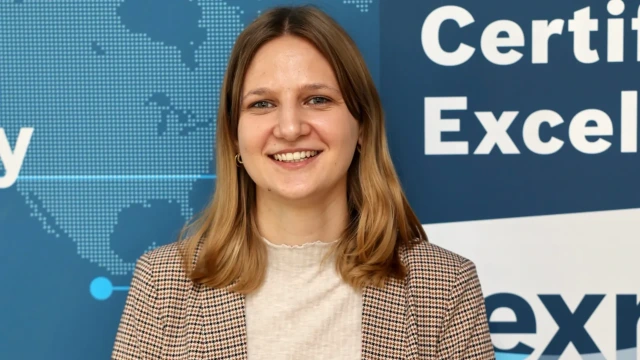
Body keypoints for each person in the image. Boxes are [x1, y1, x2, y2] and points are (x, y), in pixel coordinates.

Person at [111, 5, 495, 360]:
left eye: (317, 99)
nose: (291, 128)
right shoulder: (164, 284)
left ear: (361, 126)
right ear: (234, 136)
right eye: (262, 104)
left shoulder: (443, 287)